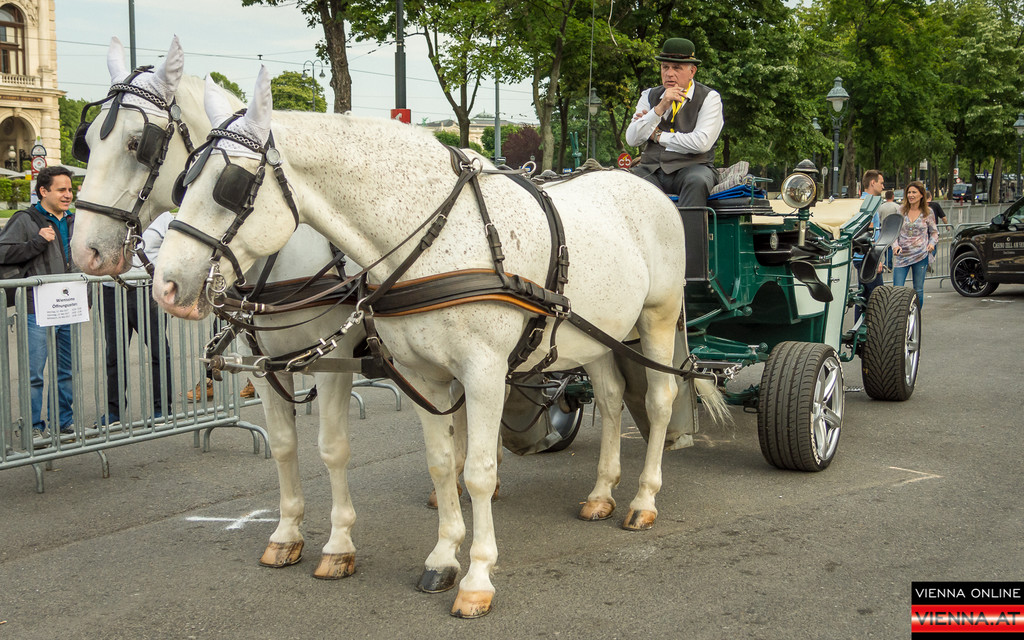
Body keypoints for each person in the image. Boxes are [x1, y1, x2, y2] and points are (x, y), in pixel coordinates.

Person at [0, 166, 77, 438]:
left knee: (66, 371)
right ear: (43, 191)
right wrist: (36, 243)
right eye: (61, 190)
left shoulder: (73, 221)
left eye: (70, 189)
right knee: (35, 374)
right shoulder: (26, 219)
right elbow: (3, 252)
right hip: (36, 308)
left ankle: (63, 423)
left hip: (69, 306)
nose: (68, 194)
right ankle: (33, 426)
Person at [625, 37, 724, 212]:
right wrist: (659, 108)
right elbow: (632, 138)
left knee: (697, 181)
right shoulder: (649, 96)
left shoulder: (710, 98)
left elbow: (701, 143)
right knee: (622, 180)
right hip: (651, 169)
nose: (669, 73)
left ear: (692, 71)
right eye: (665, 67)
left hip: (692, 169)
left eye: (677, 68)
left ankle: (688, 237)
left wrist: (657, 135)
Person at [102, 211, 174, 423]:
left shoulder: (163, 217)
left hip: (148, 291)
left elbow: (175, 254)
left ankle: (162, 410)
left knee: (159, 352)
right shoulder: (110, 214)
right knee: (114, 354)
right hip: (112, 289)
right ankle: (114, 412)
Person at [892, 181, 938, 308]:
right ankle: (897, 317)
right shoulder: (900, 210)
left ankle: (916, 317)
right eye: (909, 192)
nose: (911, 195)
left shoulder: (928, 212)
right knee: (897, 289)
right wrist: (895, 246)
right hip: (902, 255)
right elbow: (894, 233)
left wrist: (932, 244)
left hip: (920, 255)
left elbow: (934, 232)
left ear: (921, 195)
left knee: (918, 289)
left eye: (914, 192)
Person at [853, 170, 887, 320]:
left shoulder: (862, 202)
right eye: (881, 182)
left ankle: (859, 330)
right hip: (868, 257)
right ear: (872, 183)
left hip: (861, 256)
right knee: (878, 298)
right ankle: (873, 333)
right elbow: (870, 233)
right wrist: (877, 258)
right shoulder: (869, 204)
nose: (883, 186)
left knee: (863, 296)